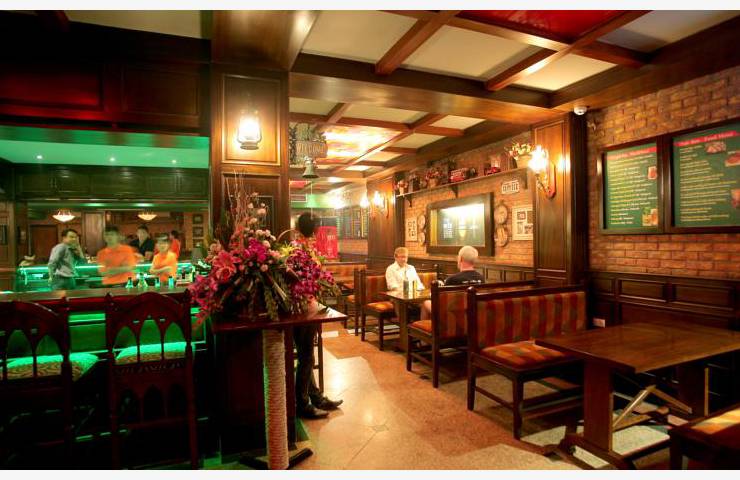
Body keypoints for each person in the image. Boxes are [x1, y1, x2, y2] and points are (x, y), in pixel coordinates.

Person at [293, 212, 343, 419]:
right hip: (302, 308)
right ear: (314, 229)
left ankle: (315, 397)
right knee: (306, 355)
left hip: (307, 305)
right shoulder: (299, 249)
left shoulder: (301, 247)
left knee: (306, 355)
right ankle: (302, 403)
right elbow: (305, 279)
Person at [420, 246, 484, 319]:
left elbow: (441, 300)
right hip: (474, 317)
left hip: (452, 317)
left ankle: (433, 326)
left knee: (425, 303)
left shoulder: (452, 279)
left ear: (460, 259)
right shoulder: (481, 279)